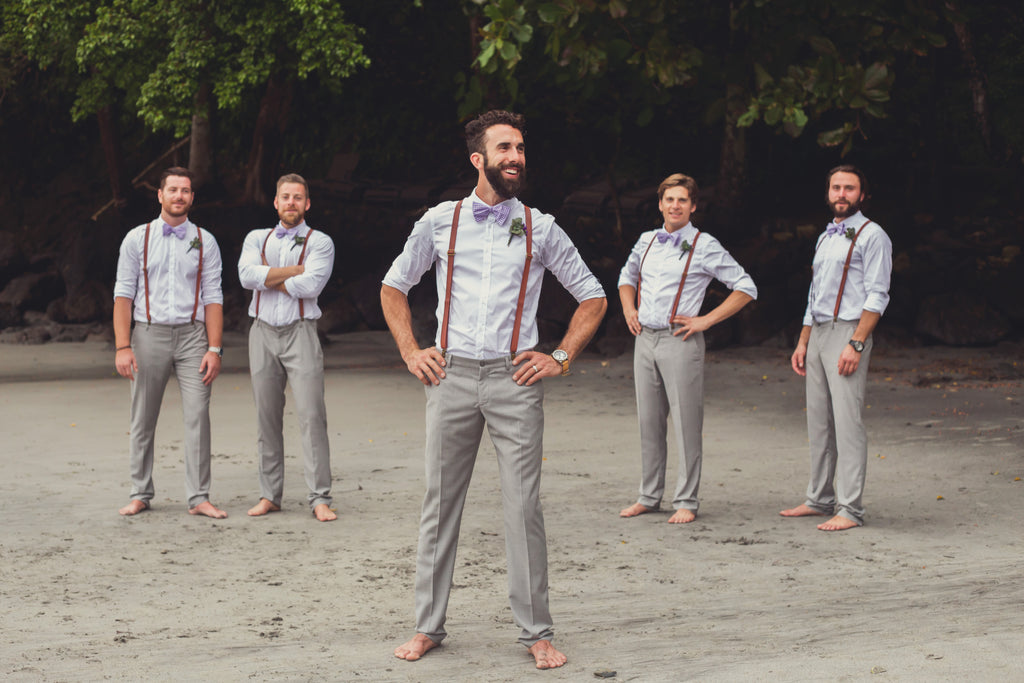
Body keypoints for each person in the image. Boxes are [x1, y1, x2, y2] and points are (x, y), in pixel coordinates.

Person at [380, 110, 606, 669]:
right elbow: (394, 285)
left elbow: (593, 296)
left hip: (514, 381)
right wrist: (412, 351)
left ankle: (537, 633)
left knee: (523, 506)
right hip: (450, 376)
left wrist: (558, 356)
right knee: (439, 504)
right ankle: (427, 626)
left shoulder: (541, 226)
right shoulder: (439, 221)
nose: (516, 157)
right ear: (477, 159)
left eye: (521, 148)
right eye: (504, 148)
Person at [617, 174, 757, 524]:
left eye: (682, 200)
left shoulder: (704, 244)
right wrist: (629, 309)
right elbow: (625, 277)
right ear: (660, 204)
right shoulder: (648, 239)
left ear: (693, 206)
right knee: (648, 421)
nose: (675, 206)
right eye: (669, 200)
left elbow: (745, 287)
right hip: (644, 339)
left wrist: (706, 320)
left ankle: (687, 500)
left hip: (680, 340)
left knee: (686, 420)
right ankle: (649, 496)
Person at [781, 164, 892, 531]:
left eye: (849, 188)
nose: (841, 194)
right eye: (836, 187)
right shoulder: (826, 236)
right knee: (819, 422)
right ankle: (819, 498)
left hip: (848, 332)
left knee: (848, 422)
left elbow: (877, 295)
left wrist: (856, 343)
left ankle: (850, 508)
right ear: (828, 192)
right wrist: (803, 340)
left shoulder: (873, 235)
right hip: (819, 332)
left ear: (863, 194)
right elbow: (815, 294)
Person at [113, 166, 227, 518]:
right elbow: (123, 296)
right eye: (173, 190)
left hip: (194, 337)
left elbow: (213, 298)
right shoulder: (137, 238)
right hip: (148, 335)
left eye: (186, 190)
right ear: (159, 195)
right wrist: (122, 346)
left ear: (192, 197)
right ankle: (140, 492)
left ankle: (199, 497)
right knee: (143, 417)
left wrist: (214, 348)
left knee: (198, 416)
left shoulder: (205, 240)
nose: (180, 196)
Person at [238, 174, 337, 522]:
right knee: (267, 417)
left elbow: (311, 285)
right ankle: (270, 495)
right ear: (276, 202)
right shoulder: (256, 237)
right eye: (285, 197)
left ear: (307, 204)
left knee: (312, 415)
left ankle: (320, 497)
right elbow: (245, 277)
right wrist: (291, 272)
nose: (291, 203)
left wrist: (269, 277)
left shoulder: (320, 242)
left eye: (298, 198)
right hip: (261, 333)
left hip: (301, 332)